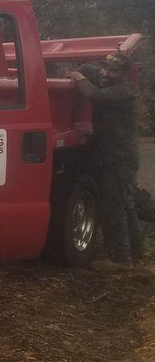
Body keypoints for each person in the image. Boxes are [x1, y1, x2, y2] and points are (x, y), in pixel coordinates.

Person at [68, 51, 144, 269]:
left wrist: (79, 78)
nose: (106, 73)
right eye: (105, 68)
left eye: (113, 71)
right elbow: (88, 69)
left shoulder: (123, 91)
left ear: (124, 75)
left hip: (119, 159)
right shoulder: (105, 77)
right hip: (118, 156)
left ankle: (121, 259)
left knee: (113, 206)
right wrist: (79, 70)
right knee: (125, 203)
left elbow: (94, 95)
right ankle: (136, 249)